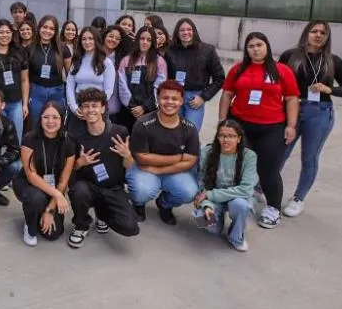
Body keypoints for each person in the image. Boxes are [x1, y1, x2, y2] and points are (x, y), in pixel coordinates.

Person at [219, 32, 300, 229]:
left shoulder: (281, 71)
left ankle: (273, 208)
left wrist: (291, 126)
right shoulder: (238, 70)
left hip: (271, 128)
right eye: (251, 46)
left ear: (267, 46)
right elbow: (227, 95)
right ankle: (239, 202)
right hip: (240, 126)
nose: (255, 49)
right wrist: (223, 122)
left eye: (259, 45)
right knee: (237, 166)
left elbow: (291, 98)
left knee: (268, 171)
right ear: (246, 50)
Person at [278, 20, 342, 217]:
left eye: (323, 32)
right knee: (280, 152)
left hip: (319, 112)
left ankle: (298, 198)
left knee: (309, 157)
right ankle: (261, 187)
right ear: (306, 33)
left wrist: (330, 89)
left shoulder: (333, 61)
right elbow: (275, 80)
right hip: (292, 108)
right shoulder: (290, 56)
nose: (318, 35)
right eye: (314, 31)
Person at [66, 88, 139, 248]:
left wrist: (127, 155)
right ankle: (81, 225)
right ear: (81, 110)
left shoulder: (120, 131)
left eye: (94, 105)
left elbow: (129, 166)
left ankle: (103, 214)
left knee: (130, 227)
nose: (90, 110)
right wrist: (80, 162)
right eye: (86, 106)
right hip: (88, 186)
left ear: (103, 108)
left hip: (113, 188)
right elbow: (69, 170)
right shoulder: (74, 136)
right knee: (78, 191)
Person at [127, 81, 200, 225]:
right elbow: (142, 158)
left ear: (181, 101)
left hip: (167, 171)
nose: (169, 102)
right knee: (142, 190)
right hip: (144, 169)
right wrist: (179, 158)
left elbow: (190, 161)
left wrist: (158, 168)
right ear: (158, 99)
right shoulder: (143, 124)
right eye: (165, 98)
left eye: (175, 99)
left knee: (189, 192)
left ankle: (165, 204)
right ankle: (138, 205)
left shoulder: (190, 129)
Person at [13, 102, 75, 246]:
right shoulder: (29, 139)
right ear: (40, 119)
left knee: (52, 234)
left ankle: (41, 212)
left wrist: (50, 211)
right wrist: (58, 195)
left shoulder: (69, 142)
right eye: (46, 117)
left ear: (62, 119)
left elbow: (63, 182)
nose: (50, 121)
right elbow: (31, 175)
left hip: (53, 187)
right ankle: (30, 224)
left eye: (55, 117)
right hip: (28, 184)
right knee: (37, 199)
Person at [194, 120, 258, 252]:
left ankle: (236, 236)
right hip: (214, 199)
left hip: (237, 198)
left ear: (239, 139)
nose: (226, 140)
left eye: (231, 136)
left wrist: (208, 195)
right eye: (222, 135)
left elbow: (246, 190)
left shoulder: (249, 156)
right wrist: (207, 204)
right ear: (217, 137)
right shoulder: (207, 152)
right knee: (204, 222)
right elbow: (202, 184)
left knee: (240, 205)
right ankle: (218, 220)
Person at [167, 18, 225, 131]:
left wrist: (204, 97)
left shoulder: (207, 50)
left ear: (194, 31)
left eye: (189, 29)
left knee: (190, 133)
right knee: (172, 132)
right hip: (174, 97)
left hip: (194, 99)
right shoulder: (170, 51)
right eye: (182, 30)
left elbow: (220, 78)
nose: (185, 32)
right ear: (177, 33)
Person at [65, 26, 115, 139]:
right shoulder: (77, 61)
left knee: (98, 139)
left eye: (90, 39)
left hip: (98, 107)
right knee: (74, 140)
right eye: (84, 39)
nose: (87, 42)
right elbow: (70, 85)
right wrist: (73, 106)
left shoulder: (106, 62)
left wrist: (93, 107)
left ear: (96, 40)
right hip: (78, 106)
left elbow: (108, 90)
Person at [117, 26, 168, 131]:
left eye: (149, 40)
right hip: (128, 111)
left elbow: (159, 87)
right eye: (142, 38)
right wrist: (132, 107)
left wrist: (144, 107)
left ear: (153, 42)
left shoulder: (160, 62)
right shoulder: (126, 60)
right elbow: (122, 86)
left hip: (150, 112)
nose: (145, 42)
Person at [26, 15, 71, 122]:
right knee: (36, 124)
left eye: (51, 29)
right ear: (39, 28)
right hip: (36, 91)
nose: (47, 31)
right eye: (45, 27)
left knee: (56, 124)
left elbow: (70, 75)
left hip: (58, 91)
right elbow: (25, 77)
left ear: (55, 31)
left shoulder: (63, 48)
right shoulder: (29, 48)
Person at [102, 25, 126, 121]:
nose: (113, 40)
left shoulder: (121, 59)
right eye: (111, 36)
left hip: (113, 106)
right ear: (104, 36)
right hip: (92, 103)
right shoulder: (94, 54)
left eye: (117, 39)